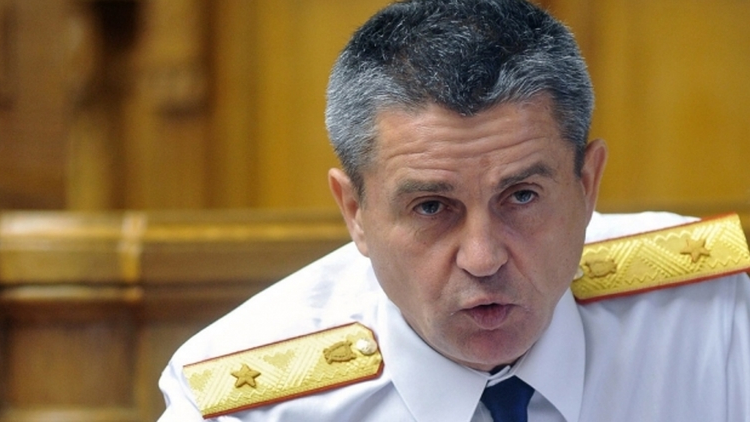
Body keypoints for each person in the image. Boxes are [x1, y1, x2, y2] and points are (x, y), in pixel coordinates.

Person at [157, 0, 750, 420]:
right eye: (431, 207)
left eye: (522, 197)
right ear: (355, 211)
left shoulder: (714, 315)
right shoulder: (246, 407)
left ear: (587, 185)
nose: (483, 258)